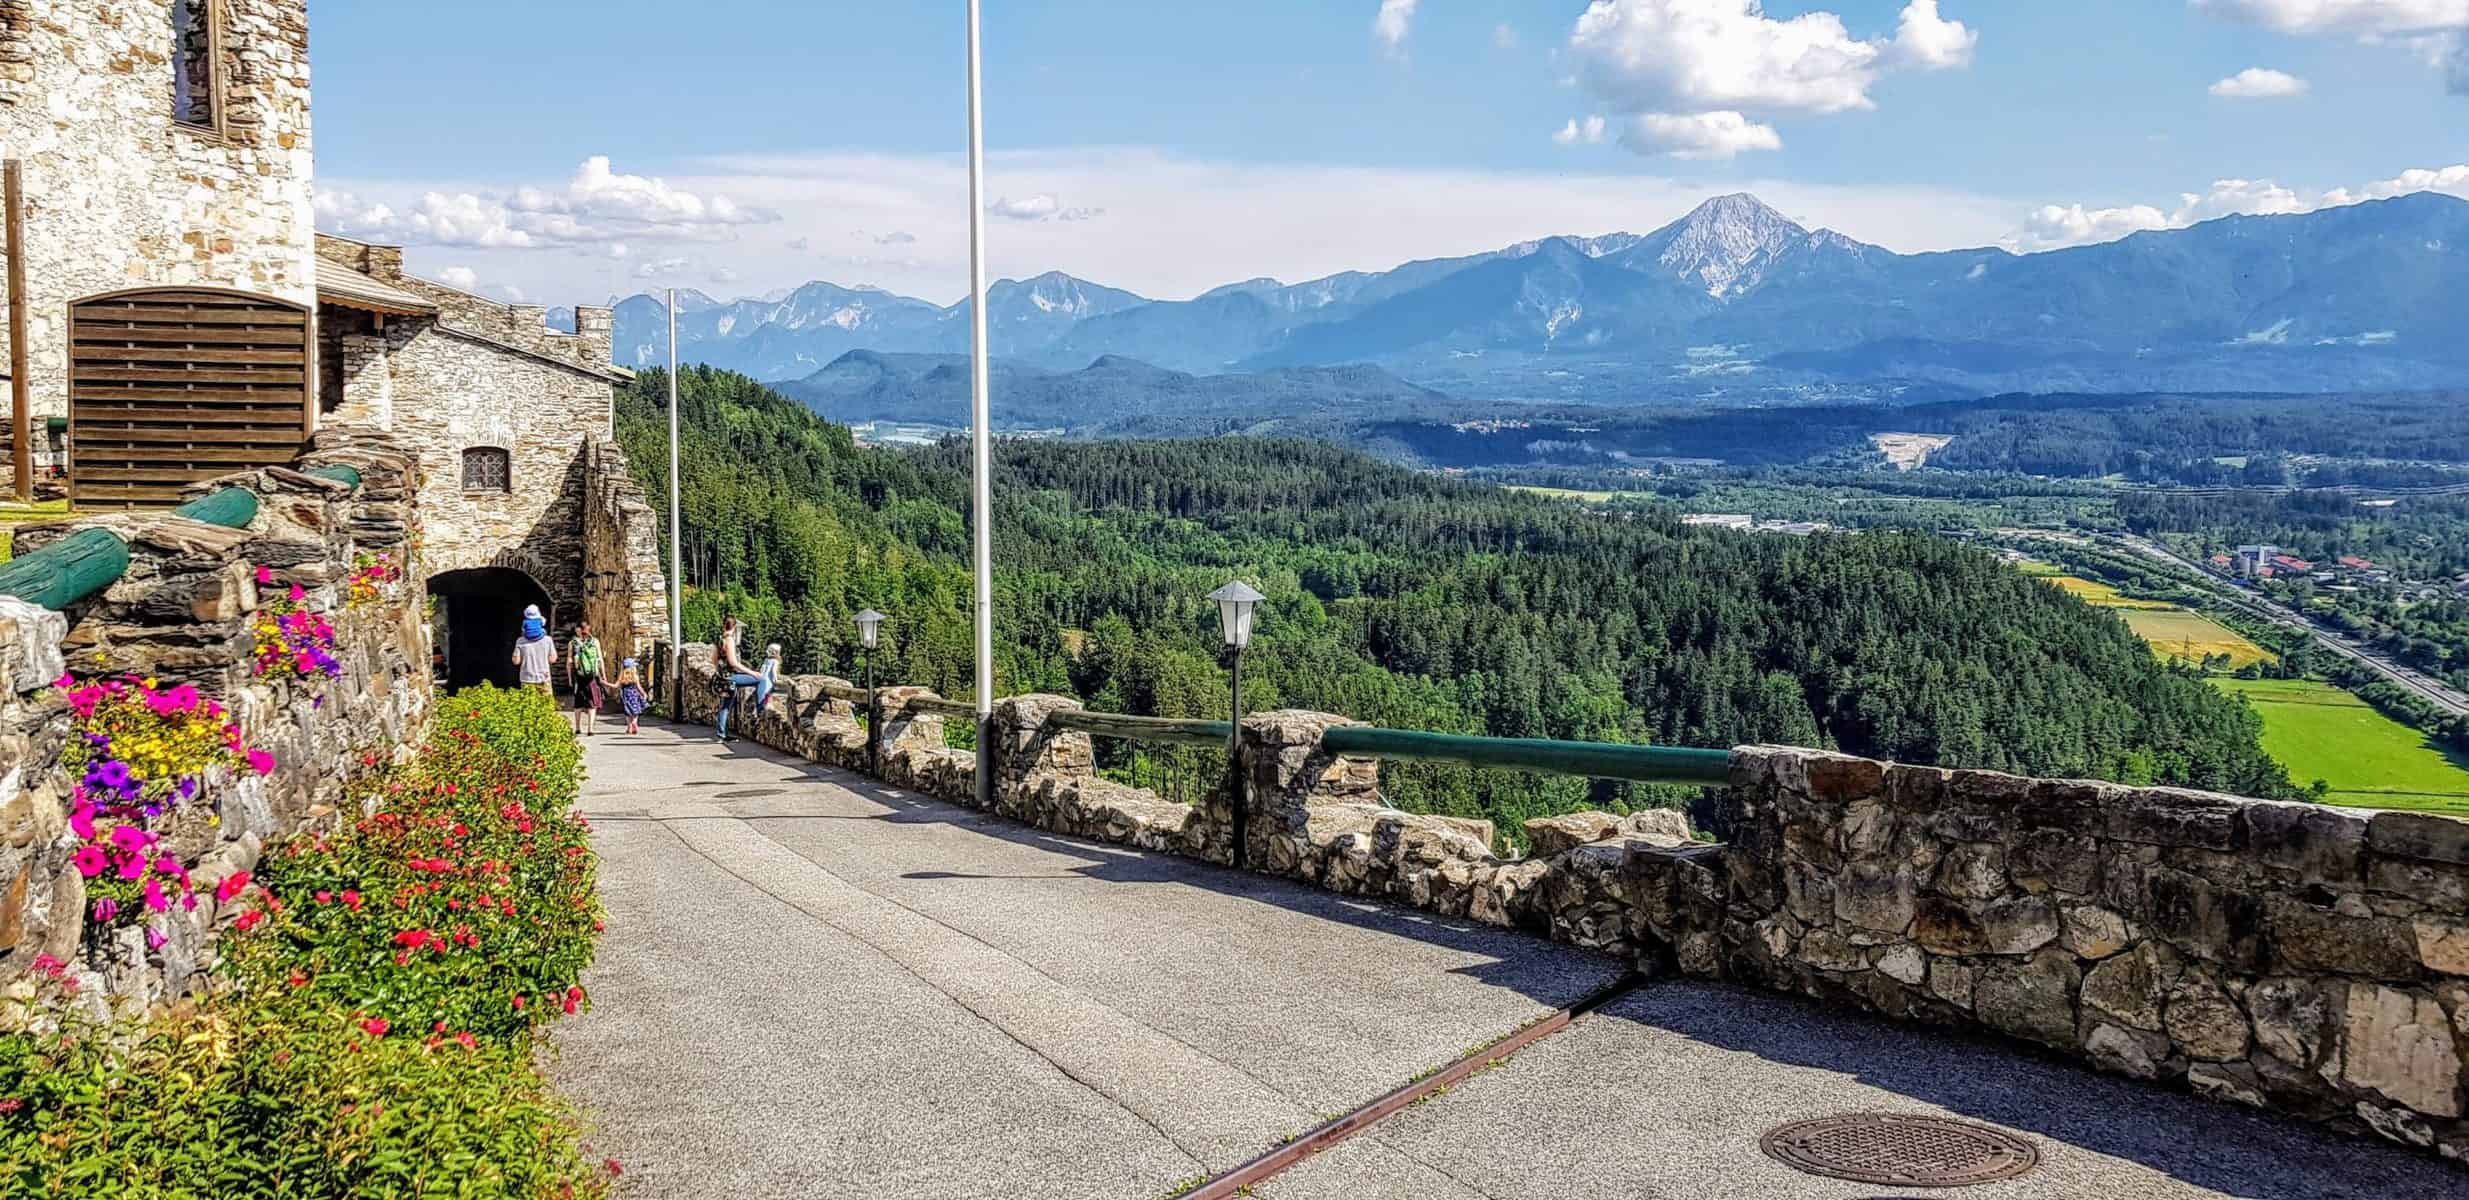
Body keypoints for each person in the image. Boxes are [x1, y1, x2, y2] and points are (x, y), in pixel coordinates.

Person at [714, 615, 762, 741]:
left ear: (723, 625)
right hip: (731, 677)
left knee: (725, 706)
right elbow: (734, 663)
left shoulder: (719, 639)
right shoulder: (729, 640)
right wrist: (752, 673)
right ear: (734, 627)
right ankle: (761, 709)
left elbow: (713, 659)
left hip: (722, 677)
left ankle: (721, 734)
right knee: (759, 680)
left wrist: (719, 672)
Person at [567, 620, 605, 736]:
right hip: (592, 676)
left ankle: (577, 728)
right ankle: (590, 729)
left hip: (579, 676)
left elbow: (569, 661)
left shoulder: (573, 643)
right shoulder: (595, 642)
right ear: (588, 628)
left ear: (577, 629)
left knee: (578, 702)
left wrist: (569, 677)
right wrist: (603, 675)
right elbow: (600, 659)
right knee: (592, 702)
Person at [512, 604, 557, 697]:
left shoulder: (520, 641)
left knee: (529, 706)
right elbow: (553, 659)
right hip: (544, 677)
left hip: (527, 678)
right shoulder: (547, 640)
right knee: (546, 706)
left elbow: (516, 661)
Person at [616, 657, 647, 735]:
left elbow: (616, 686)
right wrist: (644, 694)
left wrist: (604, 683)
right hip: (634, 695)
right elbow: (639, 687)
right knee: (635, 712)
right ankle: (634, 722)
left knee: (627, 712)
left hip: (626, 696)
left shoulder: (622, 676)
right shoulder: (635, 676)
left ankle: (629, 728)